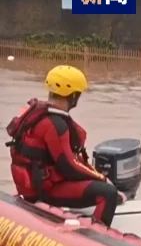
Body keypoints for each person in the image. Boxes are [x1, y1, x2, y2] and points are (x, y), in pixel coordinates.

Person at [5, 65, 125, 226]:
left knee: (97, 184)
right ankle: (97, 237)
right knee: (108, 193)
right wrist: (104, 180)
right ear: (73, 95)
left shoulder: (36, 115)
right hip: (45, 190)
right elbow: (69, 166)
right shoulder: (55, 125)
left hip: (31, 185)